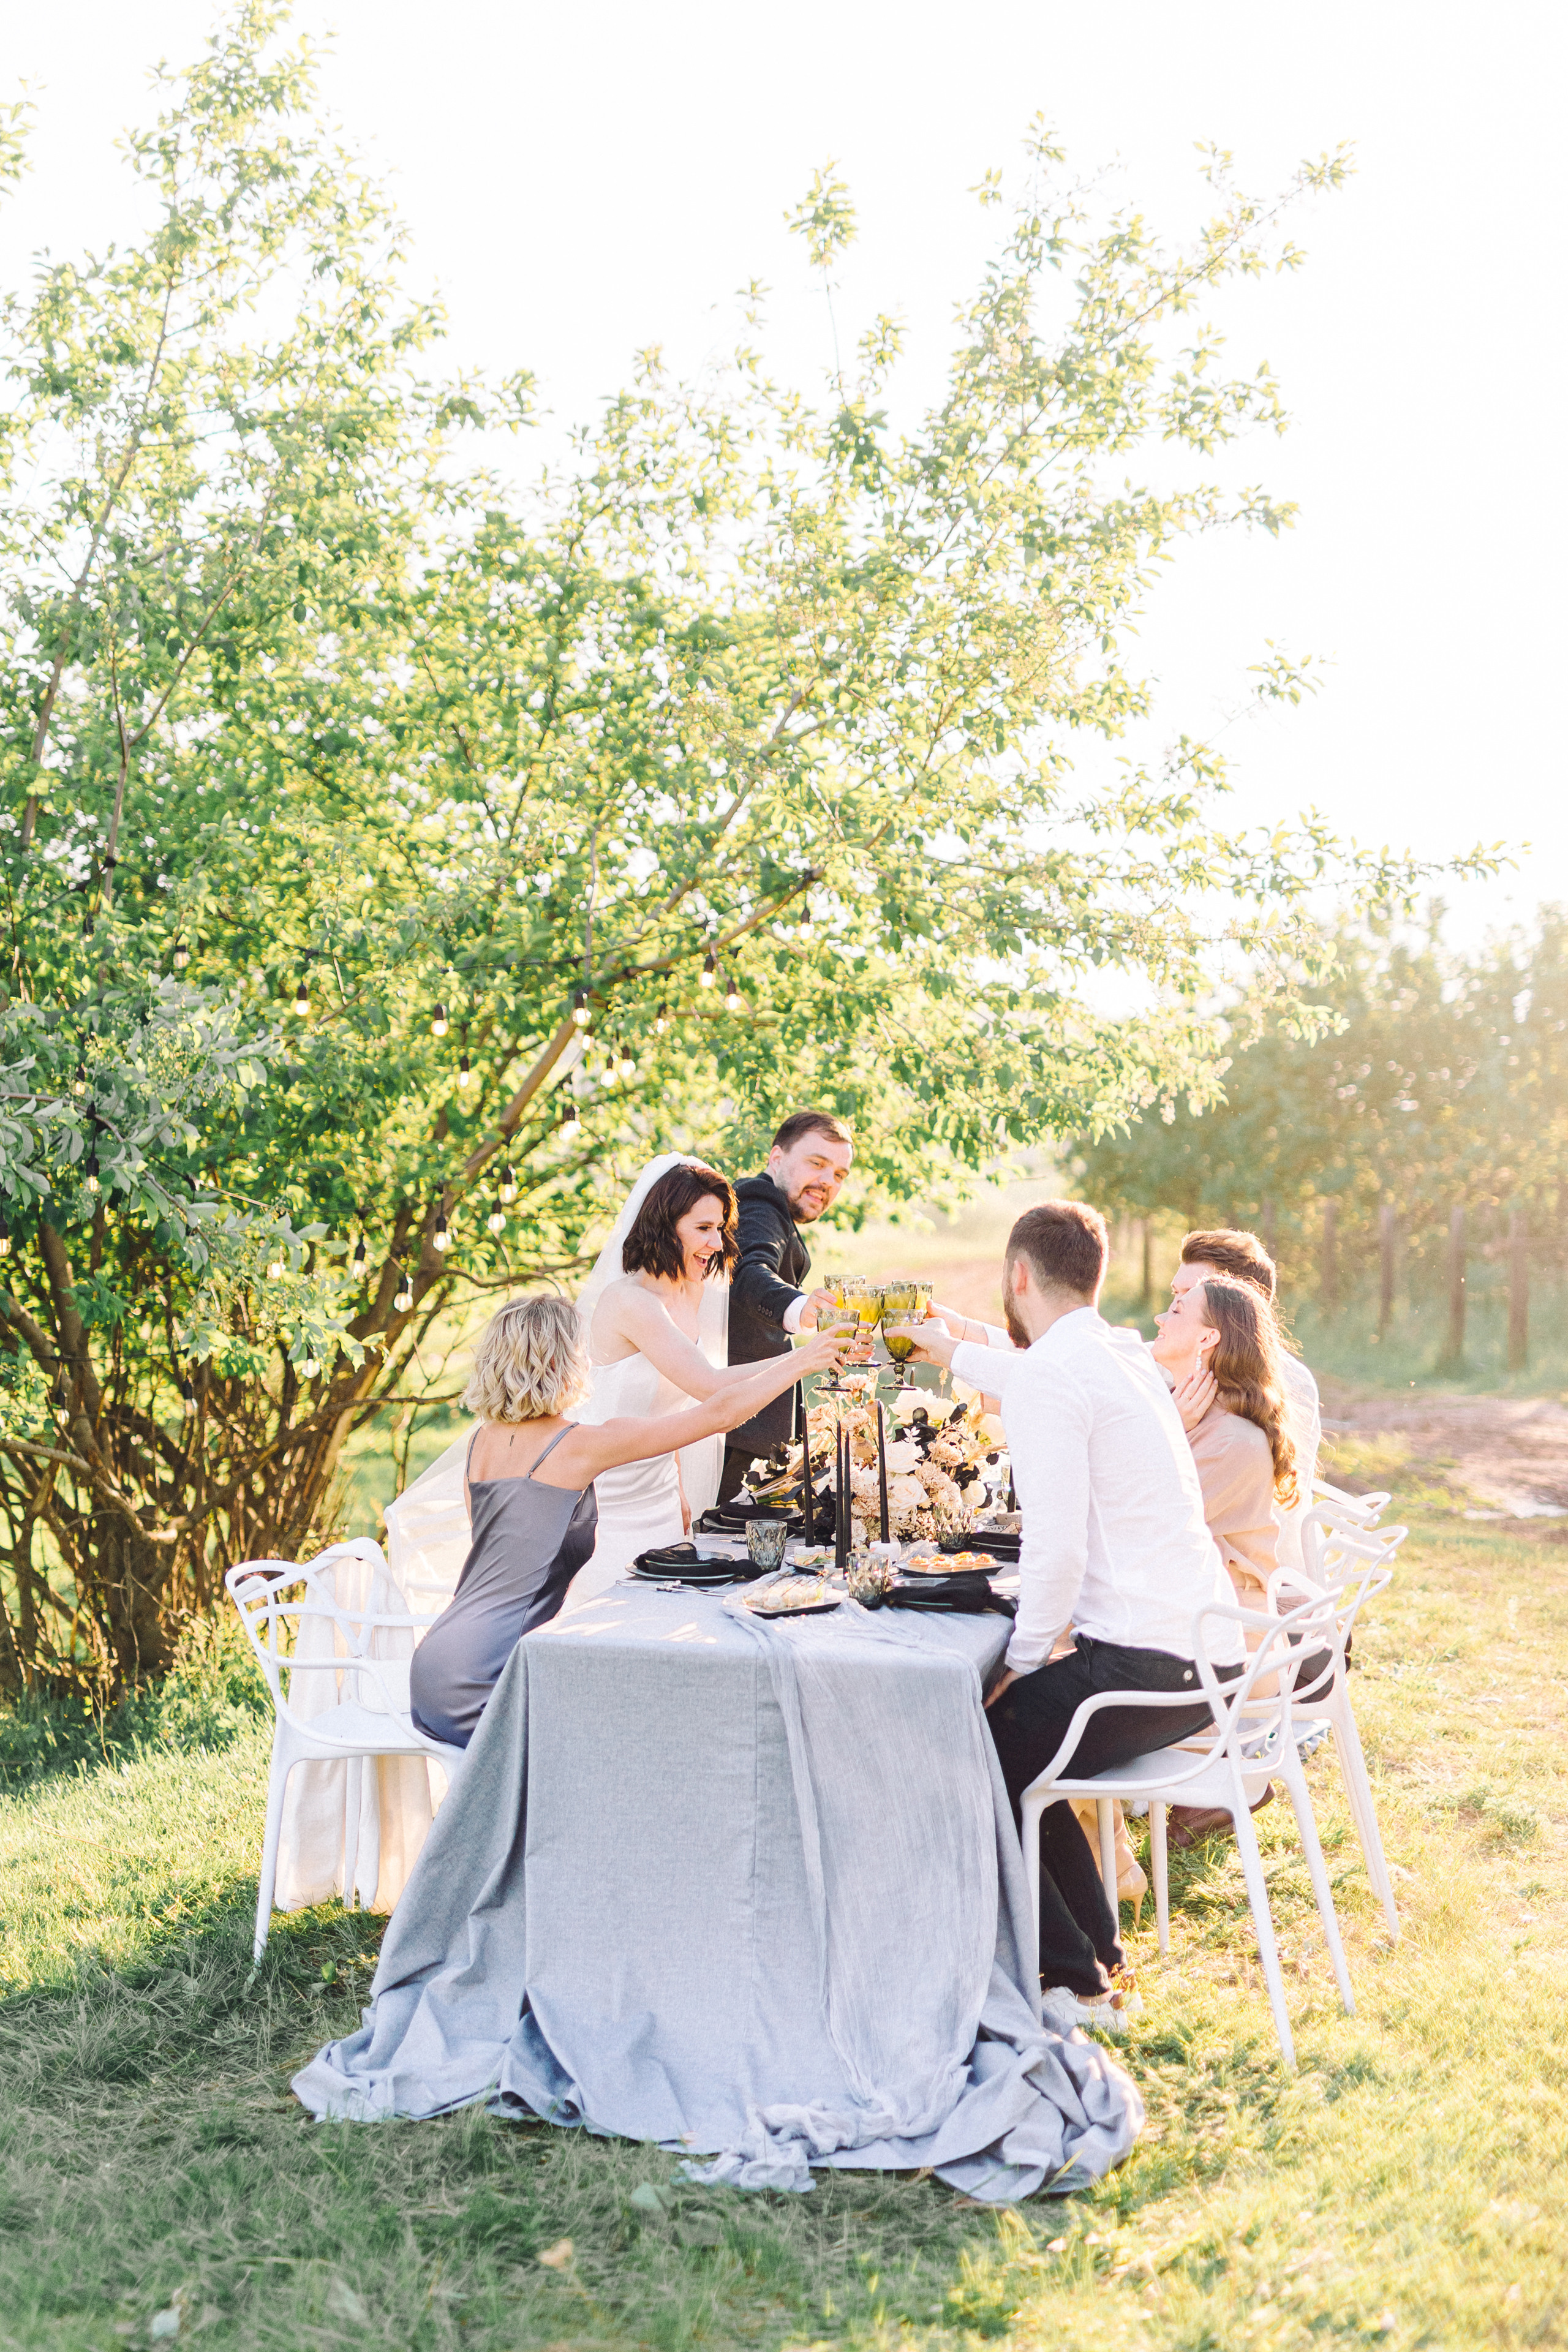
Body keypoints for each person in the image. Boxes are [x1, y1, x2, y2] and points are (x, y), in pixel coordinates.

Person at [897, 1202, 1243, 2029]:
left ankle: (1074, 1983)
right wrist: (946, 1346)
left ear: (1019, 1276)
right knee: (1022, 1743)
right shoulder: (1115, 1352)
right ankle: (1096, 1954)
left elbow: (1056, 1553)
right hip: (1207, 1655)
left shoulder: (1067, 1370)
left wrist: (1017, 1660)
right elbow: (1025, 1374)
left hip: (1150, 1668)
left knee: (977, 1739)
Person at [409, 1291, 843, 1747]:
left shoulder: (482, 1443)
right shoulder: (577, 1446)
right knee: (642, 1724)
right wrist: (804, 1362)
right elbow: (718, 1414)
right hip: (490, 1677)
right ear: (563, 1362)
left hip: (436, 1664)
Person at [571, 1159, 839, 1600]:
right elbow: (708, 1386)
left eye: (721, 1228)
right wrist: (806, 1360)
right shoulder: (628, 1302)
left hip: (658, 1493)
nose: (717, 1242)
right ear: (663, 1226)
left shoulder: (687, 1291)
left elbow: (676, 1400)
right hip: (608, 1499)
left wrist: (676, 1492)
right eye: (703, 1228)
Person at [716, 1110, 854, 1505]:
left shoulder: (773, 1212)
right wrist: (799, 1308)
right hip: (739, 1431)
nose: (828, 1181)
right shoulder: (761, 1203)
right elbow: (749, 1269)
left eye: (840, 1175)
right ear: (776, 1158)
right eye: (817, 1163)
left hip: (752, 1427)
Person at [1166, 1230, 1321, 1577]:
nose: (1167, 1314)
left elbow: (1162, 1522)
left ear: (1233, 1304)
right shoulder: (1178, 1358)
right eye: (1175, 1296)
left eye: (1189, 1297)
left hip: (1259, 1581)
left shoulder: (1284, 1385)